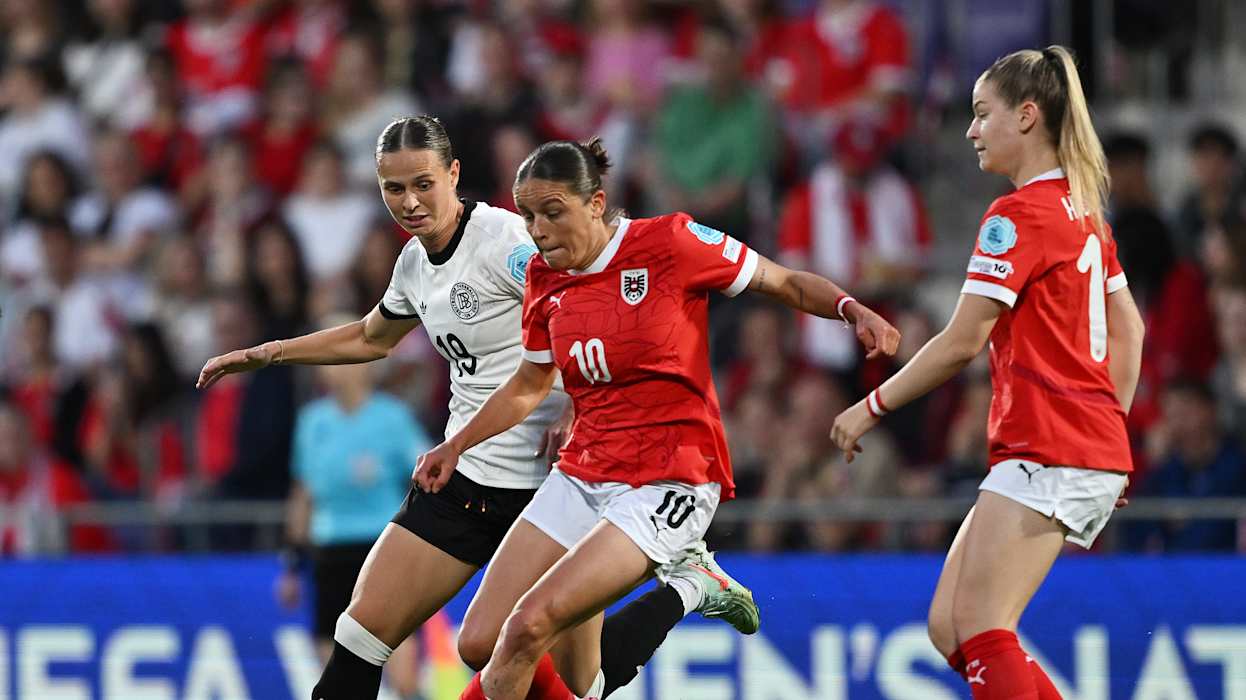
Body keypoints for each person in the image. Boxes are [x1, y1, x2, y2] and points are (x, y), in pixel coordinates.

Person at [196, 116, 747, 700]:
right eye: (393, 188)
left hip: (556, 482)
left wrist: (579, 405)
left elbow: (586, 302)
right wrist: (270, 352)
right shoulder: (412, 264)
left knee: (578, 678)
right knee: (358, 633)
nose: (409, 202)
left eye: (422, 184)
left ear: (453, 174)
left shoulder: (508, 241)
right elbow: (372, 337)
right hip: (467, 478)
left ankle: (686, 586)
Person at [413, 137, 900, 699]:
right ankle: (689, 585)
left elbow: (781, 280)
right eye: (527, 215)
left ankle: (684, 582)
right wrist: (457, 445)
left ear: (595, 203)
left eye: (552, 212)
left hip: (671, 478)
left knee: (526, 628)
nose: (538, 230)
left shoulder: (670, 243)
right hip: (585, 470)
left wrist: (849, 307)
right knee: (482, 643)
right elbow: (528, 384)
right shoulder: (544, 282)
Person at [830, 46, 1145, 700]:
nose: (970, 130)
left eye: (981, 114)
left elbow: (962, 340)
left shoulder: (1018, 215)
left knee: (979, 624)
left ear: (1026, 117)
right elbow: (1129, 331)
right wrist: (1108, 442)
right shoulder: (1084, 211)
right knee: (951, 627)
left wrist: (872, 406)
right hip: (1072, 443)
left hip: (1052, 442)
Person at [277, 314, 433, 695]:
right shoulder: (314, 422)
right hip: (330, 553)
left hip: (382, 548)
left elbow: (429, 473)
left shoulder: (391, 418)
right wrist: (293, 564)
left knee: (402, 668)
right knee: (332, 668)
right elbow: (304, 494)